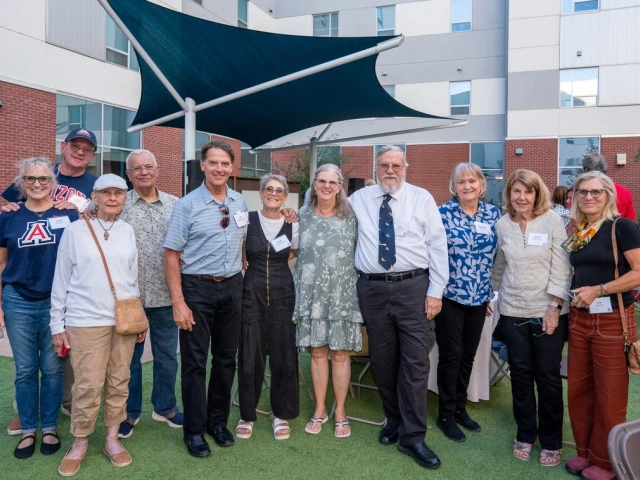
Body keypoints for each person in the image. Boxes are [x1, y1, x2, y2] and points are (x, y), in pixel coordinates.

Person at [349, 145, 448, 469]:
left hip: (413, 289)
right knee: (383, 361)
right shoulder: (359, 200)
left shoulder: (421, 198)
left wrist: (435, 292)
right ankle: (393, 419)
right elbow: (327, 214)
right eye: (384, 165)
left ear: (406, 167)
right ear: (376, 167)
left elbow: (437, 245)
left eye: (396, 165)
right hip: (373, 290)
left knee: (416, 362)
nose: (390, 170)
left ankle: (413, 437)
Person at [2, 129, 98, 435]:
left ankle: (56, 409)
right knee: (27, 365)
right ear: (63, 147)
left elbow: (97, 230)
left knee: (59, 362)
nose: (80, 152)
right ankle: (25, 413)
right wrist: (6, 207)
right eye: (75, 146)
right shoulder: (30, 186)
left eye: (87, 148)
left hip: (63, 293)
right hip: (20, 293)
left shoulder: (91, 189)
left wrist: (82, 214)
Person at [50, 174, 145, 477]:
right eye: (106, 193)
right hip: (84, 320)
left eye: (119, 193)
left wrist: (139, 314)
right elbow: (61, 280)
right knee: (88, 385)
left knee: (119, 380)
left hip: (123, 320)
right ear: (95, 196)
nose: (113, 198)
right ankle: (79, 442)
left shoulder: (128, 230)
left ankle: (112, 439)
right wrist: (57, 324)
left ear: (124, 199)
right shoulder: (75, 231)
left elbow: (132, 276)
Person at [163, 139, 248, 458]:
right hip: (197, 289)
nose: (219, 168)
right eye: (213, 162)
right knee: (195, 363)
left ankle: (217, 422)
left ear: (231, 167)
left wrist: (241, 264)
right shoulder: (187, 205)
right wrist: (178, 302)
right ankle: (195, 431)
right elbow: (171, 255)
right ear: (203, 165)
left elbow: (242, 237)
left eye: (225, 163)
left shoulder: (239, 202)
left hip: (231, 288)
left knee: (227, 359)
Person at [491, 169, 571, 467]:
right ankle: (525, 432)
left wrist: (554, 306)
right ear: (509, 194)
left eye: (528, 191)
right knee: (521, 375)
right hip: (512, 309)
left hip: (546, 311)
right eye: (516, 191)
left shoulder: (552, 221)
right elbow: (500, 262)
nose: (522, 197)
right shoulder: (502, 224)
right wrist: (490, 294)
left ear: (537, 194)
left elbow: (562, 266)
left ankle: (551, 440)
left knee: (547, 376)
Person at [563, 171, 640, 480]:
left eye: (596, 192)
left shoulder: (622, 227)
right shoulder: (580, 229)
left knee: (610, 394)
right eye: (582, 192)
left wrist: (600, 289)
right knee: (579, 390)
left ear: (608, 195)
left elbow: (638, 273)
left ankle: (606, 461)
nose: (589, 197)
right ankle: (584, 453)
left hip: (612, 319)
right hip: (580, 319)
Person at [0, 158, 79, 459]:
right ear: (21, 182)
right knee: (25, 369)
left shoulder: (67, 216)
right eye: (30, 179)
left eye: (43, 179)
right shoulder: (8, 216)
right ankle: (28, 428)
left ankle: (49, 426)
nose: (36, 184)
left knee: (52, 368)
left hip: (56, 304)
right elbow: (1, 264)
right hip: (17, 300)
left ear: (53, 183)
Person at [292, 163, 362, 439]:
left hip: (342, 296)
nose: (326, 186)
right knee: (318, 352)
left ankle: (341, 412)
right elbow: (290, 251)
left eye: (333, 182)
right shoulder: (301, 216)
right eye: (322, 181)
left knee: (340, 354)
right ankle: (320, 409)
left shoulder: (352, 217)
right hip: (311, 296)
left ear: (340, 186)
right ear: (314, 183)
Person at [117, 150, 182, 439]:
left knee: (167, 356)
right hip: (132, 299)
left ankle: (165, 407)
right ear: (128, 174)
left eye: (148, 167)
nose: (143, 172)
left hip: (168, 297)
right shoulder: (119, 205)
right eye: (136, 168)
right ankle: (129, 413)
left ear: (156, 170)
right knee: (129, 360)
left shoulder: (175, 205)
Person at [435, 163, 501, 442]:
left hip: (479, 298)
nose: (467, 186)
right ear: (453, 186)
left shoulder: (493, 214)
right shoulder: (442, 214)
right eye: (461, 181)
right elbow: (432, 254)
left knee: (468, 356)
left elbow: (499, 257)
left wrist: (489, 291)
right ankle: (445, 414)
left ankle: (460, 408)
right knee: (450, 356)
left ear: (481, 185)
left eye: (472, 181)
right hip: (449, 296)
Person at [236, 174, 299, 441]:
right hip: (251, 292)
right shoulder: (245, 220)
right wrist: (243, 263)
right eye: (268, 189)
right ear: (260, 194)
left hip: (284, 294)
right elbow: (235, 247)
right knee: (250, 353)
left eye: (279, 190)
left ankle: (280, 413)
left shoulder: (293, 224)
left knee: (284, 354)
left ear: (285, 196)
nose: (274, 193)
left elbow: (294, 252)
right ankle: (247, 414)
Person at [582, 153, 635, 220]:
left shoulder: (580, 192)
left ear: (585, 170)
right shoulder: (624, 192)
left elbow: (575, 220)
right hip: (619, 229)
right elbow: (630, 220)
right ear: (605, 168)